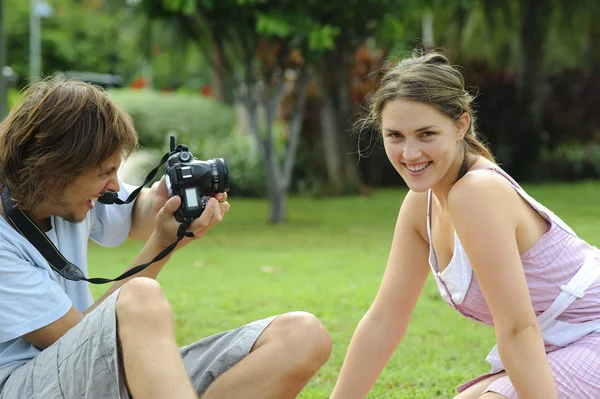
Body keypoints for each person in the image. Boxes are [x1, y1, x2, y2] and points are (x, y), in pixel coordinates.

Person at [0, 77, 332, 399]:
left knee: (302, 335)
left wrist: (172, 196)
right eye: (105, 173)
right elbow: (71, 340)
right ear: (55, 169)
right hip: (30, 383)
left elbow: (137, 213)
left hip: (103, 372)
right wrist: (161, 245)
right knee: (139, 297)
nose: (114, 186)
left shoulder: (68, 196)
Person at [329, 50, 600, 399]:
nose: (409, 153)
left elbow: (518, 329)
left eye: (426, 134)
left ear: (461, 125)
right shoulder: (419, 207)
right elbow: (384, 321)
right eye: (395, 135)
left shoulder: (478, 192)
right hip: (559, 345)